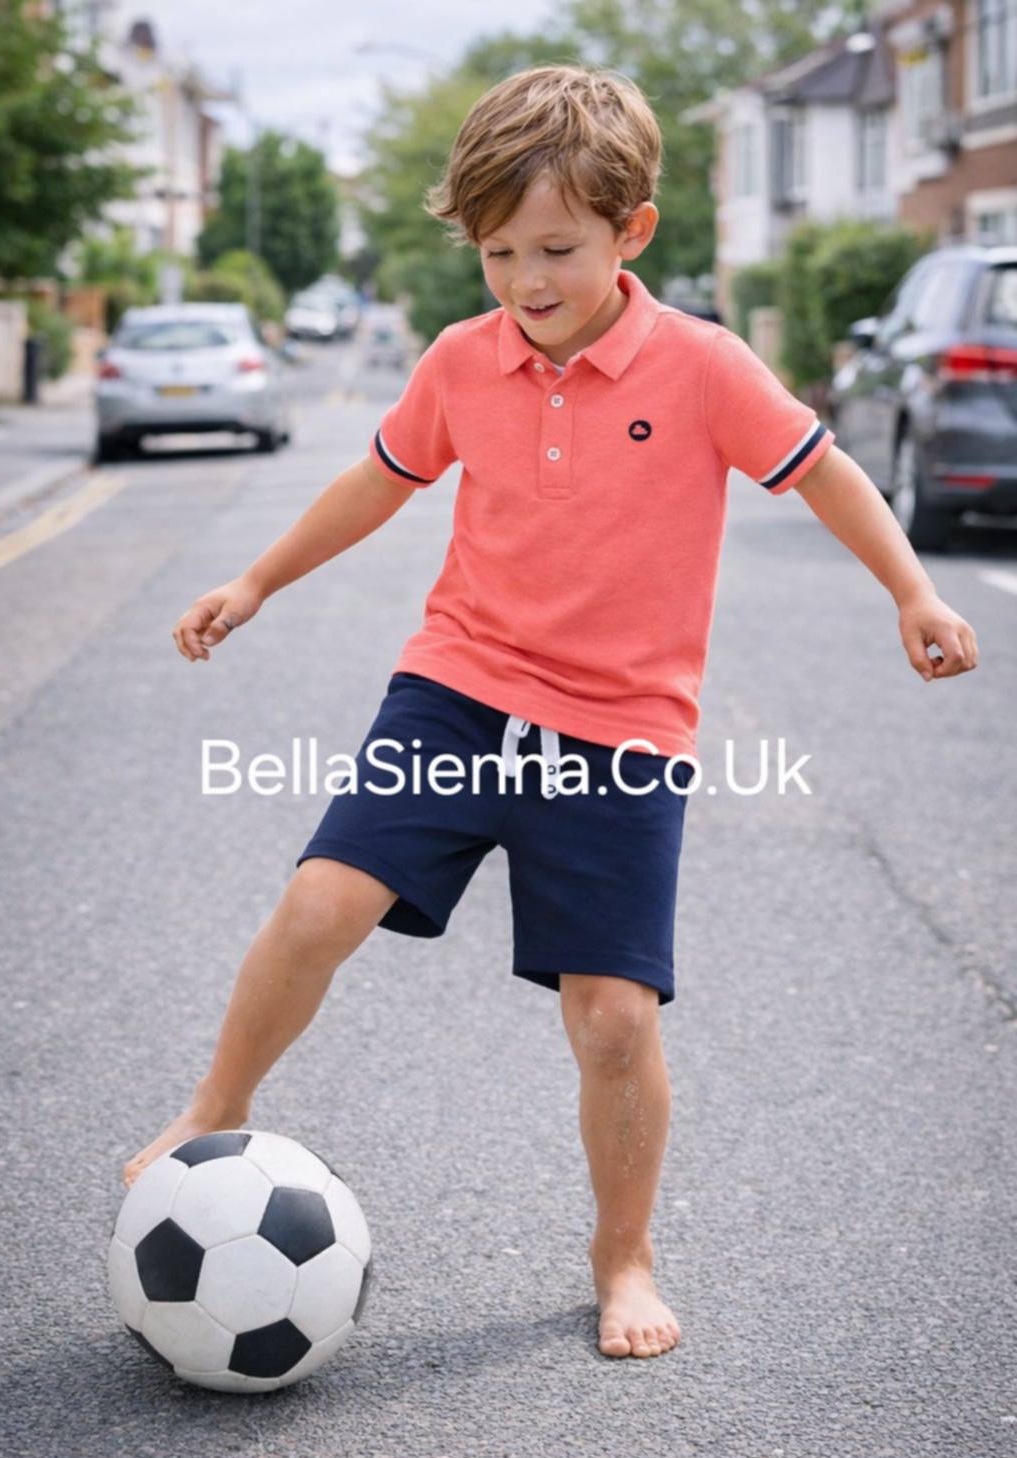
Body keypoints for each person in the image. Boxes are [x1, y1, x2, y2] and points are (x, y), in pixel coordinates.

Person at [123, 65, 979, 1359]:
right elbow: (379, 482)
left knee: (615, 1021)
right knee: (318, 904)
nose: (526, 281)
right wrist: (254, 582)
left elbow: (827, 473)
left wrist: (912, 592)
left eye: (557, 249)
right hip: (459, 690)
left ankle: (623, 1255)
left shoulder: (703, 365)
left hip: (624, 730)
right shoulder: (463, 362)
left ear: (633, 231)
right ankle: (212, 1109)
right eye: (499, 253)